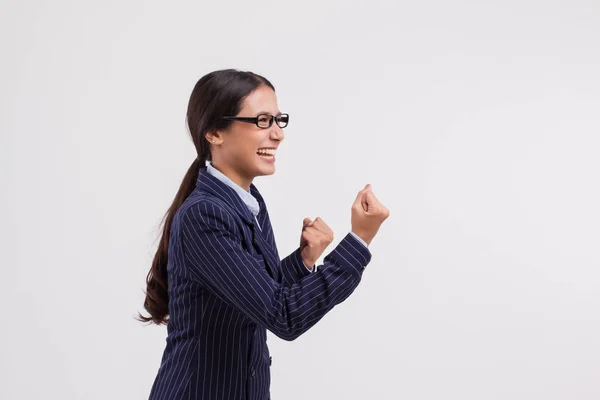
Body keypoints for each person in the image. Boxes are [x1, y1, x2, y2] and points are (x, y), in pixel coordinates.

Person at [138, 69, 390, 400]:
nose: (277, 134)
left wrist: (303, 261)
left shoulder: (249, 201)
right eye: (261, 121)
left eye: (278, 120)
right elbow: (283, 315)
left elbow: (254, 295)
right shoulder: (204, 214)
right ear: (214, 132)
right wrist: (359, 240)